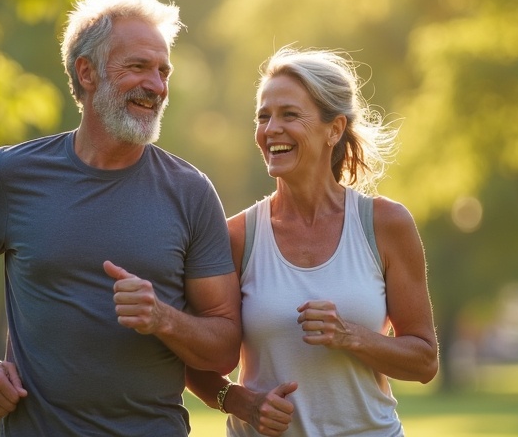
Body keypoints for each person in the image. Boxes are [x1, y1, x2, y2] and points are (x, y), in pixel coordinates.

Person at [0, 0, 242, 436]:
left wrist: (163, 318)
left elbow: (224, 348)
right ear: (86, 72)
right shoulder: (13, 175)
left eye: (163, 71)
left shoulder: (191, 193)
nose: (156, 85)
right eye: (138, 67)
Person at [186, 47, 438, 436]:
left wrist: (350, 335)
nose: (271, 130)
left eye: (289, 115)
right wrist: (241, 403)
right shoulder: (236, 237)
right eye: (264, 117)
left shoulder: (386, 225)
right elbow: (194, 356)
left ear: (334, 130)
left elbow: (423, 361)